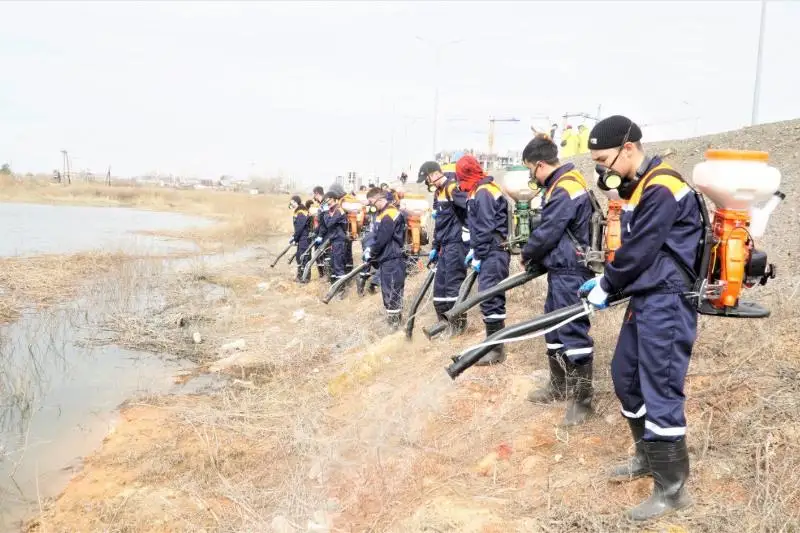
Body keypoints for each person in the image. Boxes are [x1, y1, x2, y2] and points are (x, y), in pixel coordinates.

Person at [581, 115, 702, 521]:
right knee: (626, 377)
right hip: (645, 297)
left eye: (604, 160)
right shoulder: (644, 186)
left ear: (628, 148)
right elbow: (638, 249)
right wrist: (608, 281)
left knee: (661, 389)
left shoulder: (664, 187)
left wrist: (608, 284)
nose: (603, 170)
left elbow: (642, 250)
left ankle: (672, 491)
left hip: (667, 302)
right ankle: (646, 456)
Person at [520, 134, 596, 426]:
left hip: (570, 270)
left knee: (572, 330)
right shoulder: (563, 184)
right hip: (560, 269)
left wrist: (529, 253)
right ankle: (559, 384)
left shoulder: (565, 189)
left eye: (530, 168)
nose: (531, 175)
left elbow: (549, 230)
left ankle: (583, 402)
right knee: (553, 326)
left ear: (539, 165)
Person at [456, 154, 509, 365]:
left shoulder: (485, 192)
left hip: (492, 251)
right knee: (488, 297)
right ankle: (491, 345)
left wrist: (479, 253)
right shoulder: (479, 190)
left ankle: (496, 351)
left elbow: (485, 228)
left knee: (491, 298)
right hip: (488, 250)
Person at [418, 160, 469, 333]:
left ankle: (458, 329)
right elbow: (440, 224)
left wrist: (468, 234)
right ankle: (444, 327)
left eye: (427, 180)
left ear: (433, 175)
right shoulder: (438, 194)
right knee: (440, 291)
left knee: (453, 287)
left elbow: (470, 210)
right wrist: (435, 246)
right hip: (444, 246)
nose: (427, 184)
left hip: (456, 244)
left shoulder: (452, 188)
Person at [363, 187, 407, 330]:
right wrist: (369, 248)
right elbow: (374, 236)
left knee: (393, 294)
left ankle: (395, 328)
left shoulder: (390, 214)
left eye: (372, 202)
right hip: (386, 259)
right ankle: (393, 325)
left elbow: (382, 238)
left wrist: (372, 252)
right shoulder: (380, 214)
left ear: (380, 199)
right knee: (388, 294)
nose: (371, 206)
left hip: (393, 259)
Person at [314, 192, 348, 288]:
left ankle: (341, 289)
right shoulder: (330, 211)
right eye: (325, 201)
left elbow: (330, 223)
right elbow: (323, 224)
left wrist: (325, 212)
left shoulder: (339, 211)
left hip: (339, 240)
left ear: (334, 199)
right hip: (333, 240)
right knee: (332, 264)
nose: (327, 202)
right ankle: (334, 286)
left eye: (328, 200)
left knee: (338, 265)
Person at [289, 195, 311, 283]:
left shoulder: (301, 212)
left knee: (304, 257)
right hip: (301, 237)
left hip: (304, 237)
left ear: (296, 202)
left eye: (292, 202)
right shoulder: (299, 210)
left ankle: (305, 278)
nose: (291, 204)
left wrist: (295, 238)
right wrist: (295, 237)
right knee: (299, 257)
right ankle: (300, 276)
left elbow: (300, 227)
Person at [310, 186, 327, 279]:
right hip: (320, 232)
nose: (314, 197)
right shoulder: (322, 204)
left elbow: (324, 222)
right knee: (319, 255)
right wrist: (315, 232)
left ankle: (324, 276)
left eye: (314, 194)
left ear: (317, 193)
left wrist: (320, 235)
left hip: (325, 234)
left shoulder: (325, 204)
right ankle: (322, 276)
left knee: (323, 255)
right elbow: (320, 223)